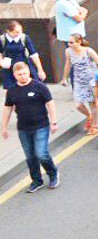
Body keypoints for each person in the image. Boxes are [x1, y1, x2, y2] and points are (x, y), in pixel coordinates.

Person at [1, 60, 58, 191]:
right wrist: (4, 126)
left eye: (25, 73)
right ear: (14, 75)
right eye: (19, 74)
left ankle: (53, 173)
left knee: (41, 153)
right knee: (30, 157)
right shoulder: (12, 91)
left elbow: (50, 104)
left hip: (41, 126)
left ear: (29, 72)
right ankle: (37, 180)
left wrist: (54, 122)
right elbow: (7, 108)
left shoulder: (39, 86)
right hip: (23, 128)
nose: (23, 76)